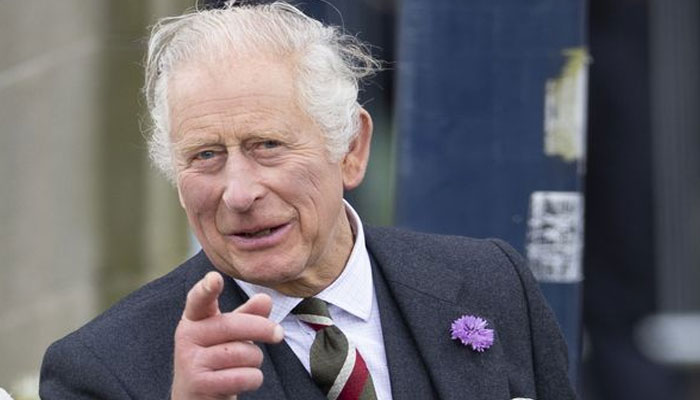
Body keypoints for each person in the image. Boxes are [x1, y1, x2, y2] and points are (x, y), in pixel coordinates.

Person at [39, 2, 576, 399]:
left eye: (267, 146)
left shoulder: (490, 282)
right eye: (205, 155)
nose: (240, 193)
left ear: (351, 149)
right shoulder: (101, 369)